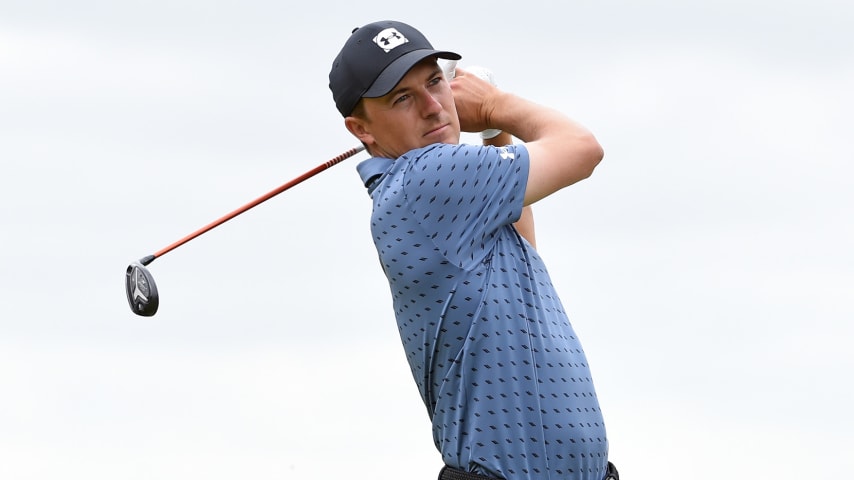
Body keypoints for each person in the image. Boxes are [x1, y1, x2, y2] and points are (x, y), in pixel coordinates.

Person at [328, 20, 618, 480]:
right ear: (361, 128)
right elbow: (583, 149)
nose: (431, 107)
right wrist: (494, 105)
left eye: (434, 82)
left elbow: (522, 238)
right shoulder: (426, 178)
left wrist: (491, 133)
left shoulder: (448, 195)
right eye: (402, 98)